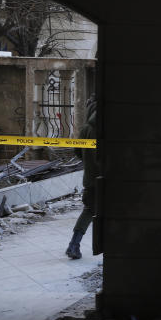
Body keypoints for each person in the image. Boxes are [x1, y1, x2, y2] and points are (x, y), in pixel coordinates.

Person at [66, 96, 97, 260]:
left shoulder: (86, 128)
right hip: (111, 178)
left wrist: (89, 162)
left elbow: (77, 152)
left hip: (91, 179)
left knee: (89, 210)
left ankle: (74, 244)